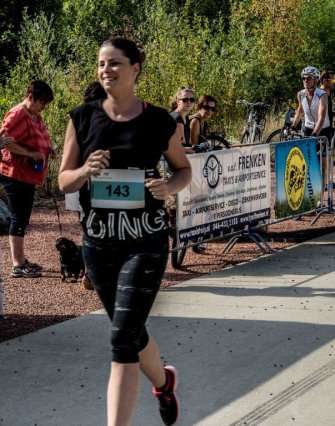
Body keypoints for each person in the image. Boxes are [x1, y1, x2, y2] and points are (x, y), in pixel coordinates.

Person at [58, 37, 191, 426]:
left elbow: (182, 170)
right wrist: (85, 171)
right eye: (101, 64)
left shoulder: (158, 122)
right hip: (99, 246)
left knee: (121, 340)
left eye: (114, 63)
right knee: (128, 330)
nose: (105, 71)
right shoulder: (82, 118)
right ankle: (164, 383)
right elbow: (63, 180)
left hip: (145, 243)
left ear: (135, 69)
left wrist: (169, 188)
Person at [0, 80, 55, 278]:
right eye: (42, 102)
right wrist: (31, 154)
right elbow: (5, 142)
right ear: (31, 97)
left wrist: (49, 150)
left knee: (23, 217)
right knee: (18, 216)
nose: (43, 107)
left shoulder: (34, 115)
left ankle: (21, 259)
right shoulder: (17, 114)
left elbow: (40, 140)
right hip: (14, 173)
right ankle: (17, 264)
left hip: (28, 174)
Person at [290, 66, 335, 189]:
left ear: (315, 80)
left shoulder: (322, 95)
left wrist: (315, 134)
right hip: (308, 129)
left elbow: (321, 117)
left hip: (323, 130)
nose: (305, 80)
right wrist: (293, 126)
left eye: (308, 78)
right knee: (307, 164)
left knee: (322, 166)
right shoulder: (301, 94)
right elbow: (300, 111)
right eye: (303, 78)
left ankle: (321, 195)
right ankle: (309, 192)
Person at [169, 86, 196, 154]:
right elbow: (182, 146)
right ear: (178, 101)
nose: (189, 102)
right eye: (185, 100)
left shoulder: (185, 117)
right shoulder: (177, 118)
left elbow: (188, 142)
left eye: (192, 100)